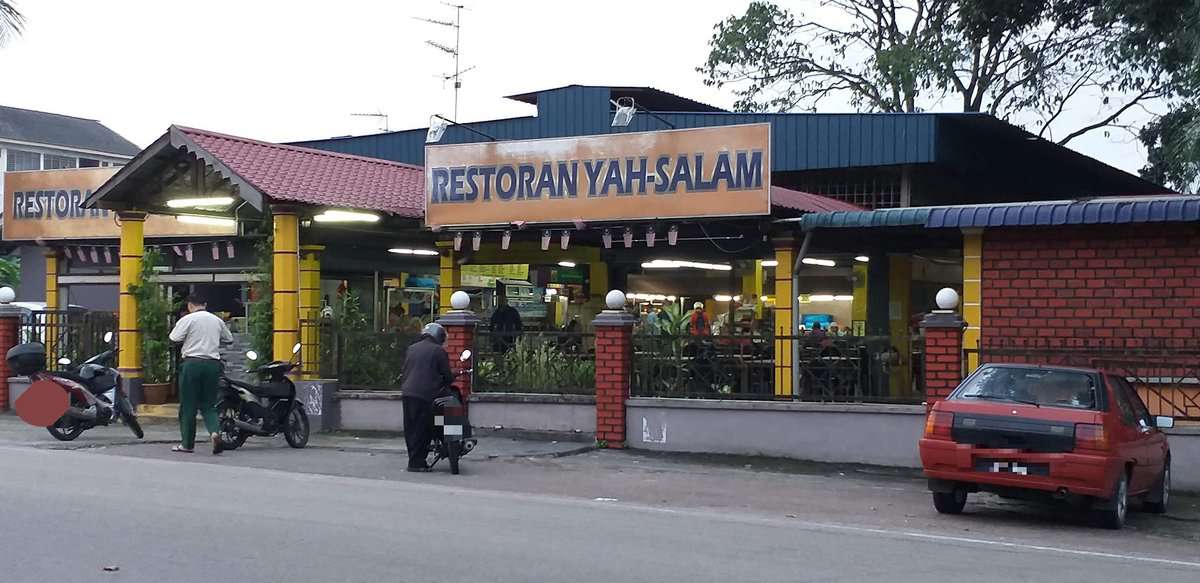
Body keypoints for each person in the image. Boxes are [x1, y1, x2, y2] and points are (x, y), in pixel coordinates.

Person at [168, 293, 233, 455]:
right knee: (209, 405)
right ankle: (215, 433)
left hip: (192, 364)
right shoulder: (216, 320)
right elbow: (229, 339)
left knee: (188, 405)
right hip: (212, 364)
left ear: (190, 305)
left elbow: (174, 337)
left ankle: (187, 444)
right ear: (204, 304)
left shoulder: (188, 319)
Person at [399, 323, 454, 472]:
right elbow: (447, 375)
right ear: (439, 337)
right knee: (424, 428)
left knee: (411, 428)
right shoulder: (438, 351)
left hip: (408, 392)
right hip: (427, 394)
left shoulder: (412, 348)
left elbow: (405, 370)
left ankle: (413, 460)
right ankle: (418, 463)